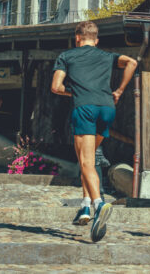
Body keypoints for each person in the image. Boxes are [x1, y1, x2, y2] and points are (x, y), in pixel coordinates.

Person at [51, 20, 137, 243]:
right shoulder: (107, 56)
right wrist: (118, 90)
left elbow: (56, 87)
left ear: (77, 38)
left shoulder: (67, 56)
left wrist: (75, 93)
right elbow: (132, 62)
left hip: (85, 109)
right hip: (107, 108)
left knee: (86, 162)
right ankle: (85, 207)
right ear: (96, 40)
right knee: (87, 158)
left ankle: (98, 205)